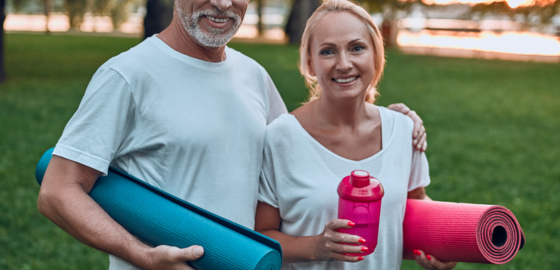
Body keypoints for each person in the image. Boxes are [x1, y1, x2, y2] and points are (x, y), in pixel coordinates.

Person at [36, 0, 427, 269]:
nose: (223, 3)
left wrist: (384, 119)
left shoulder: (252, 74)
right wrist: (140, 255)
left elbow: (305, 140)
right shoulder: (128, 75)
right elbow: (58, 192)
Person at [254, 1, 458, 270]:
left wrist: (442, 244)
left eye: (357, 48)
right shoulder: (279, 138)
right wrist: (316, 247)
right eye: (328, 52)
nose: (344, 63)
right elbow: (261, 236)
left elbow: (416, 202)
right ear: (310, 64)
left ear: (375, 55)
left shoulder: (404, 130)